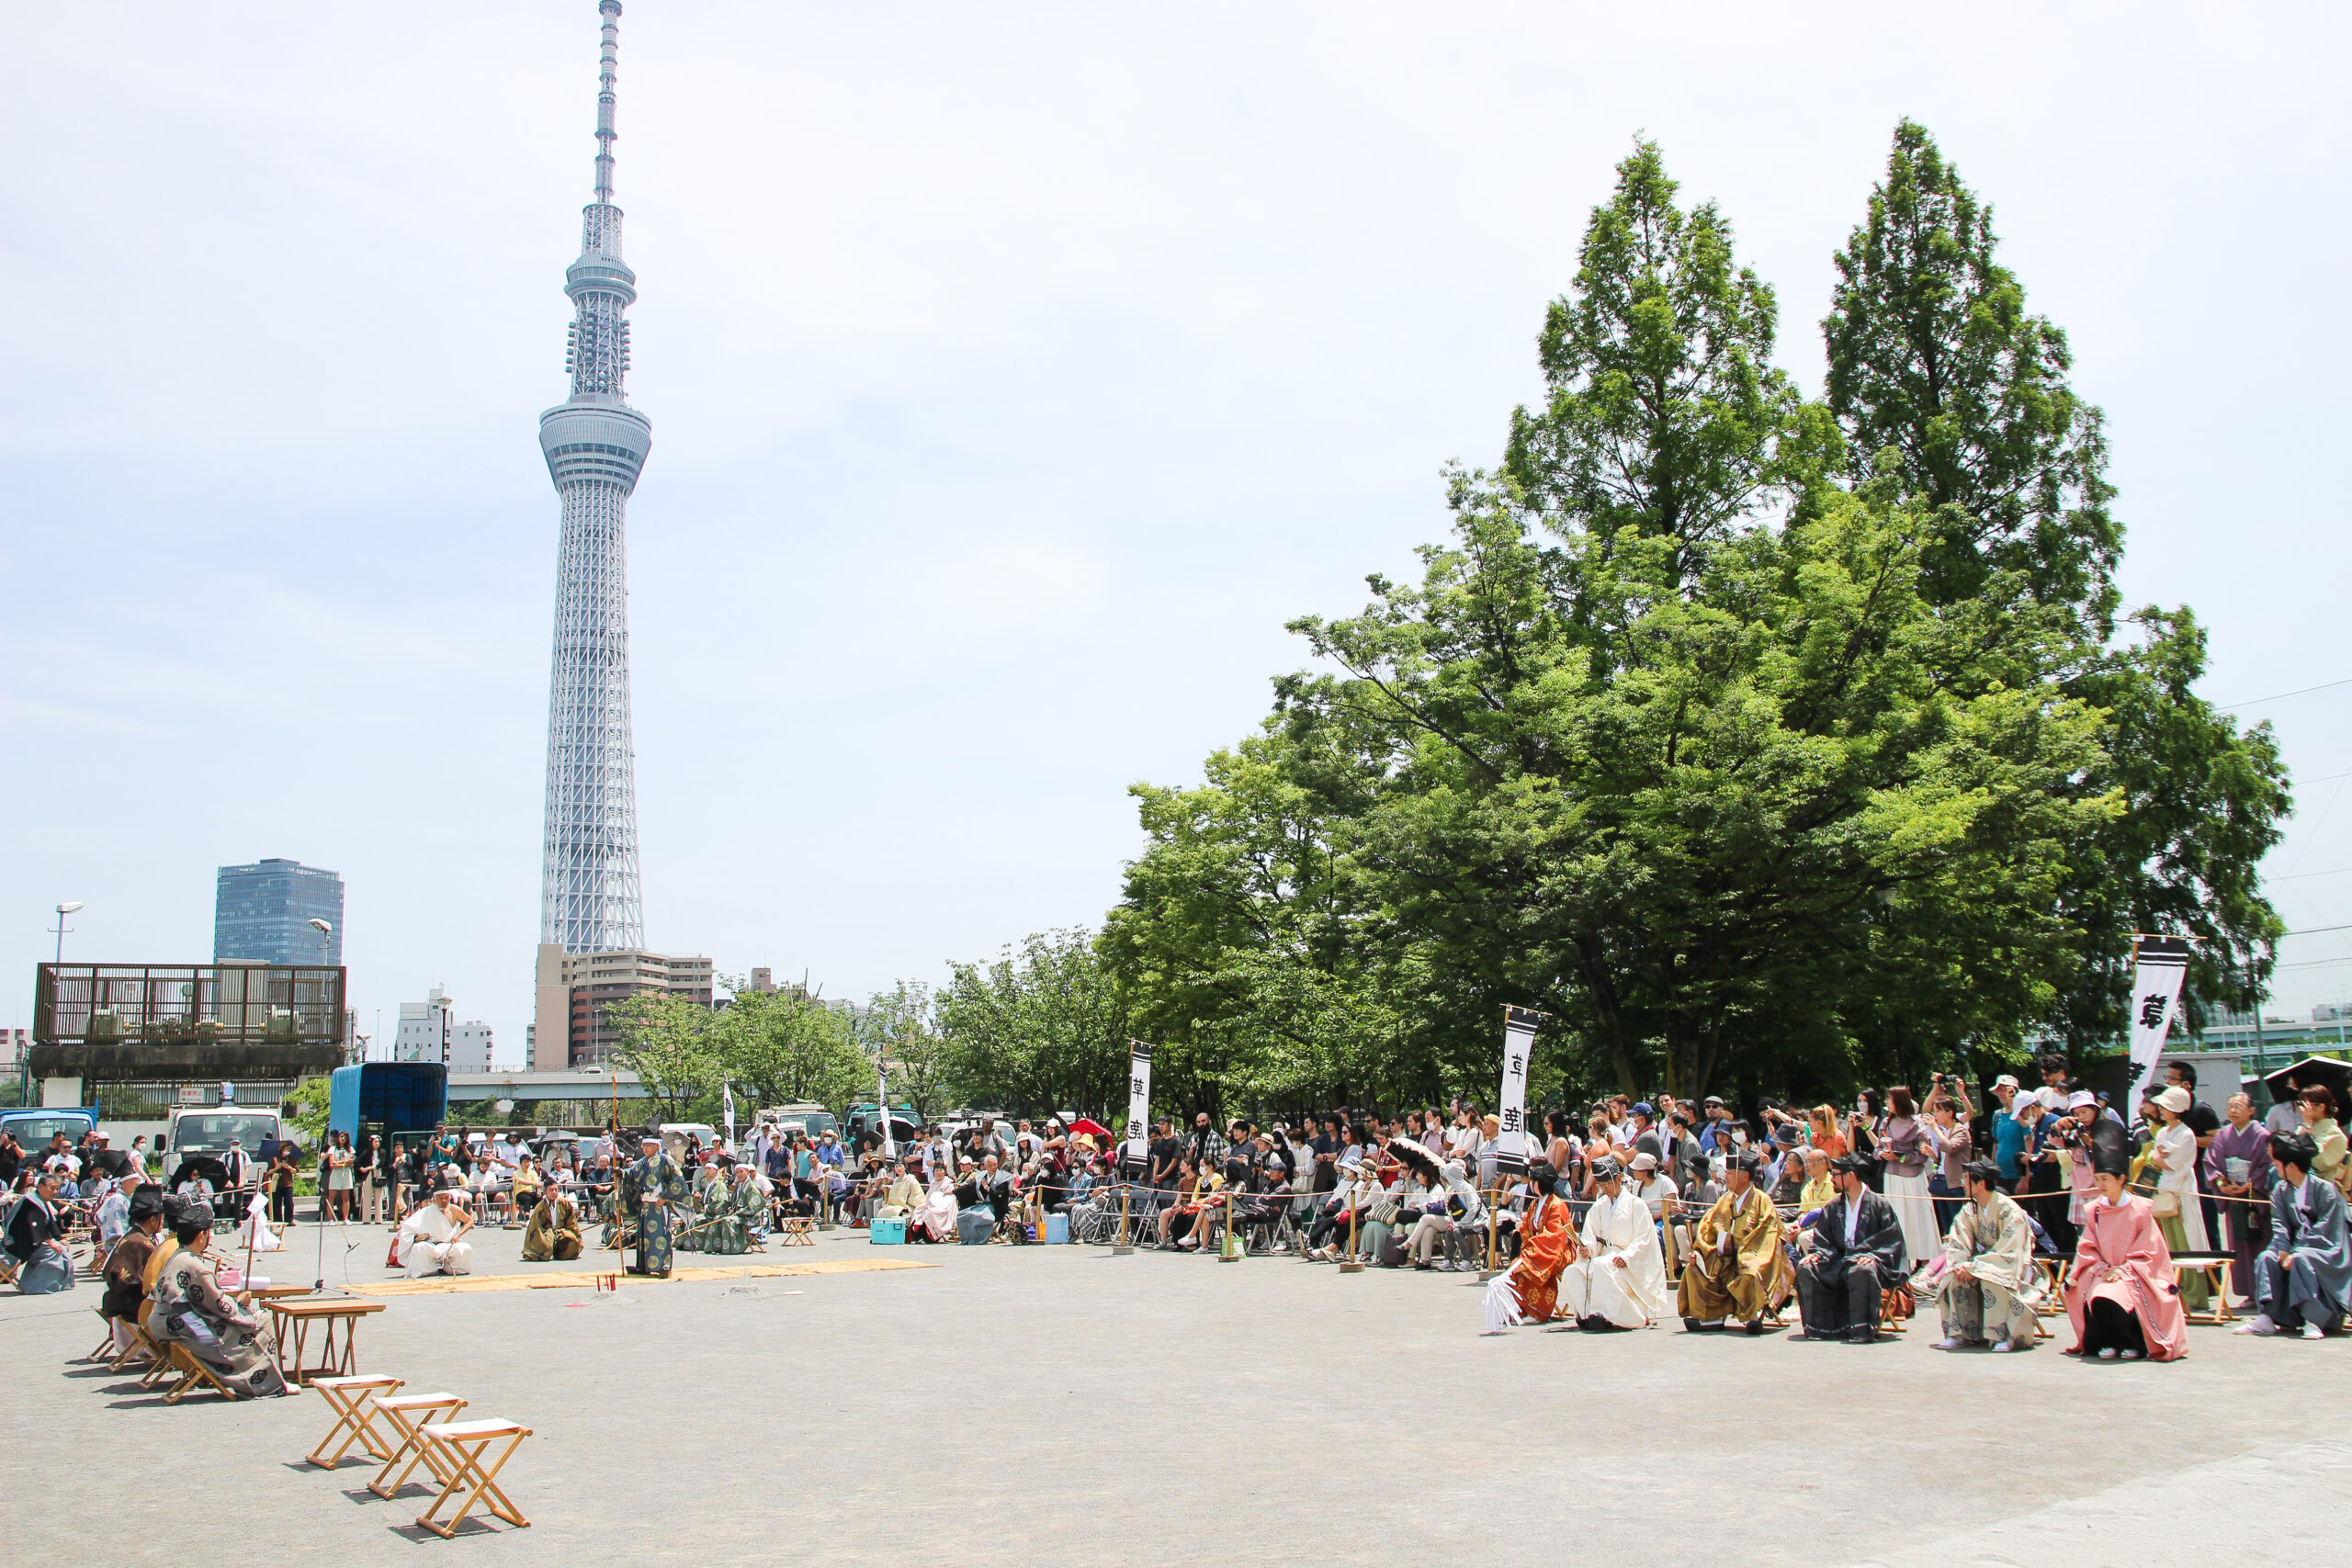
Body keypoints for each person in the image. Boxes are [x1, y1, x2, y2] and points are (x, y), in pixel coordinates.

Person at [2064, 1138, 2188, 1361]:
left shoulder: (2140, 1209)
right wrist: (2101, 1267)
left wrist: (2123, 1270)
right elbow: (2087, 1246)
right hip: (2103, 1269)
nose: (2100, 1184)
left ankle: (2133, 1343)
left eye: (2105, 1179)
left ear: (2121, 1179)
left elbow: (2150, 1250)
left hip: (2136, 1271)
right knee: (2094, 1291)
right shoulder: (2095, 1210)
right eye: (2098, 1179)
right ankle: (2106, 1342)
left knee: (2115, 1294)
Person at [148, 1201, 289, 1396]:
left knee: (245, 1321)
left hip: (163, 1320)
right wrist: (240, 1304)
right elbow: (220, 1305)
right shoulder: (194, 1265)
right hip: (180, 1324)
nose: (211, 1237)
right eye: (209, 1233)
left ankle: (266, 1378)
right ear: (201, 1236)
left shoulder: (178, 1255)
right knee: (260, 1320)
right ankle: (267, 1383)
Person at [2236, 1130, 2349, 1340]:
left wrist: (2295, 1251)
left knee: (2301, 1259)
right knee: (2267, 1257)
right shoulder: (2281, 1190)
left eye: (2277, 1163)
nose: (2274, 1167)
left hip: (2326, 1248)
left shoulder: (2326, 1190)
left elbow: (2325, 1229)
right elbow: (2280, 1223)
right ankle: (2267, 1317)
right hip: (2297, 1246)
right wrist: (2282, 1248)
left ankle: (2313, 1320)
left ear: (2291, 1166)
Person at [1930, 1159, 2042, 1351]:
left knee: (1992, 1280)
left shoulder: (2009, 1210)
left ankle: (2003, 1336)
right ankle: (1959, 1333)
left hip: (2012, 1265)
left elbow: (2010, 1249)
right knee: (1954, 1278)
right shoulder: (1970, 1209)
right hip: (1981, 1263)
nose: (1963, 1185)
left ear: (1981, 1184)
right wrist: (1961, 1265)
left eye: (1967, 1180)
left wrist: (1975, 1267)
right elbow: (1959, 1241)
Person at [1793, 1154, 1905, 1343]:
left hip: (1865, 1259)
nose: (1833, 1179)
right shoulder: (1834, 1205)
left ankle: (1861, 1331)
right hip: (1838, 1259)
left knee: (1863, 1270)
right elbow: (1824, 1237)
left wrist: (1874, 1256)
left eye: (1836, 1174)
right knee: (1807, 1268)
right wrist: (1819, 1253)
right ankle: (1820, 1329)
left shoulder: (1879, 1204)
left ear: (1851, 1175)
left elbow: (1890, 1239)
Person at [1676, 1152, 1791, 1334]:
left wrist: (1743, 1253)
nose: (1725, 1176)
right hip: (1721, 1255)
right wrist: (1700, 1250)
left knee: (1750, 1271)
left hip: (1752, 1254)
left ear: (1745, 1176)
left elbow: (1768, 1235)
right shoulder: (1725, 1199)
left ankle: (1751, 1316)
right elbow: (1707, 1229)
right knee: (1694, 1267)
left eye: (1730, 1172)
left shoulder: (1762, 1201)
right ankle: (1710, 1316)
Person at [1557, 1157, 1669, 1330]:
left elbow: (1644, 1239)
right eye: (1601, 1185)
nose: (1605, 1189)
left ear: (1618, 1179)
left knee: (1600, 1265)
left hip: (1626, 1263)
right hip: (1603, 1257)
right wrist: (1588, 1249)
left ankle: (1603, 1314)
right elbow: (1591, 1237)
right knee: (1572, 1271)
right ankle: (1585, 1315)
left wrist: (1626, 1257)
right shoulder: (1599, 1206)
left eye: (1608, 1184)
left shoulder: (1636, 1205)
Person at [1481, 1162, 1573, 1331]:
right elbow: (1528, 1229)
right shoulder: (1535, 1204)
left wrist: (1533, 1247)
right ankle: (1521, 1308)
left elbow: (1556, 1235)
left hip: (1557, 1250)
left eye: (1533, 1181)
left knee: (1531, 1267)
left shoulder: (1557, 1205)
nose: (1531, 1184)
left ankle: (1537, 1311)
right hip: (1539, 1247)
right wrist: (1521, 1228)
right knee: (1518, 1264)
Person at [2206, 1093, 2275, 1308]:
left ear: (2252, 1110)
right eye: (2230, 1107)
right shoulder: (2223, 1134)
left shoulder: (2262, 1135)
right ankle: (2248, 1292)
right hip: (2233, 1197)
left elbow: (2267, 1165)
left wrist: (2250, 1185)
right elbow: (2212, 1162)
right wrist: (2221, 1184)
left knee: (2259, 1243)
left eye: (2238, 1106)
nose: (2233, 1111)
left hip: (2254, 1198)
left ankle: (2265, 1291)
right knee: (2239, 1244)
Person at [102, 1186, 167, 1355]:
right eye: (161, 1218)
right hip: (128, 1304)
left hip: (119, 1298)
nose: (163, 1222)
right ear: (153, 1220)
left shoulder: (135, 1236)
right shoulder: (140, 1242)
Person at [620, 1134, 688, 1277]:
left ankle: (664, 1266)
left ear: (657, 1146)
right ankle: (643, 1266)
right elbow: (631, 1175)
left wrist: (666, 1196)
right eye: (644, 1146)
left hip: (658, 1202)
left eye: (649, 1145)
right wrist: (620, 1172)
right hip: (645, 1204)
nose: (645, 1148)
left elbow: (678, 1178)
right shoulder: (642, 1162)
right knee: (644, 1236)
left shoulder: (665, 1159)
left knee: (660, 1235)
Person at [6, 1171, 77, 1293]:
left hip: (33, 1240)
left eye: (57, 1189)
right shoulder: (30, 1202)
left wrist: (59, 1239)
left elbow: (50, 1224)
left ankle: (63, 1284)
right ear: (40, 1187)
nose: (55, 1192)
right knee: (52, 1251)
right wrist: (51, 1242)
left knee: (63, 1249)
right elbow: (35, 1225)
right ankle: (38, 1287)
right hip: (18, 1243)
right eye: (52, 1188)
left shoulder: (41, 1201)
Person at [397, 1189, 477, 1278]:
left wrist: (458, 1235)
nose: (444, 1201)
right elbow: (407, 1227)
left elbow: (469, 1221)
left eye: (446, 1198)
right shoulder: (425, 1212)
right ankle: (429, 1270)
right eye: (441, 1198)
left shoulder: (454, 1209)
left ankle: (452, 1269)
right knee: (419, 1248)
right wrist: (417, 1237)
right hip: (430, 1244)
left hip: (449, 1244)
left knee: (465, 1248)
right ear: (434, 1199)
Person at [2293, 1087, 2348, 1193]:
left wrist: (2307, 1125)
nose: (2301, 1108)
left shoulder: (2335, 1133)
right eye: (2299, 1103)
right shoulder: (2304, 1128)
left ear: (2321, 1107)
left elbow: (2316, 1161)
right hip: (2300, 1187)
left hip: (2324, 1192)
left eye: (2304, 1104)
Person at [520, 1181, 582, 1262]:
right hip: (546, 1234)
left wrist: (571, 1235)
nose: (554, 1192)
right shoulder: (540, 1207)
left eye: (556, 1190)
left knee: (572, 1239)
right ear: (545, 1192)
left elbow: (572, 1223)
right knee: (546, 1246)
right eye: (551, 1190)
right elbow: (536, 1227)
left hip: (561, 1233)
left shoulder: (564, 1203)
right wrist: (549, 1234)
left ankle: (560, 1253)